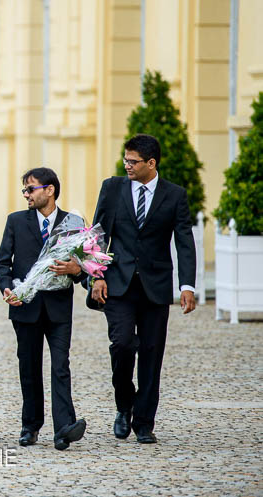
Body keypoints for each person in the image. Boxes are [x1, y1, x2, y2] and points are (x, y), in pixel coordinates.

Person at [89, 133, 196, 444]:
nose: (127, 165)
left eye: (133, 161)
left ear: (151, 163)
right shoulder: (112, 188)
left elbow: (184, 241)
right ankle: (124, 405)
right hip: (117, 284)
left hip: (156, 286)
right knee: (121, 345)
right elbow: (97, 234)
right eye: (125, 159)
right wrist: (96, 275)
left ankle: (145, 422)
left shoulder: (174, 195)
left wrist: (186, 285)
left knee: (151, 352)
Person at [0, 167, 87, 450]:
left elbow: (86, 264)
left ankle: (64, 429)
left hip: (59, 307)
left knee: (61, 366)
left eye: (30, 189)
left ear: (50, 190)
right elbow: (2, 264)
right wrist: (7, 288)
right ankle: (30, 426)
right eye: (24, 190)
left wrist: (76, 269)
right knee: (29, 367)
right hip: (26, 307)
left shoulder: (73, 222)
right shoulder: (15, 221)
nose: (26, 194)